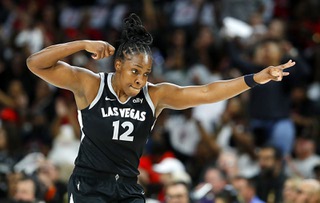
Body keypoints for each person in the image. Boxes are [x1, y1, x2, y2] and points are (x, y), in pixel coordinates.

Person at [26, 13, 295, 202]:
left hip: (128, 187)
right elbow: (35, 63)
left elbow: (207, 91)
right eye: (135, 71)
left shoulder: (155, 95)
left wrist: (257, 78)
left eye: (146, 73)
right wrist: (82, 44)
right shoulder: (91, 85)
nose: (140, 79)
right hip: (89, 185)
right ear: (118, 65)